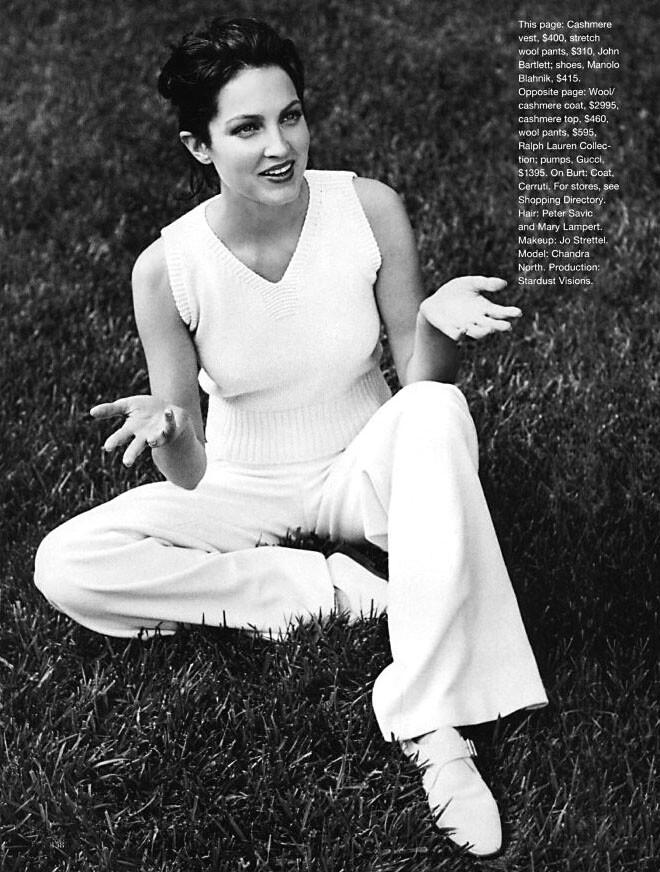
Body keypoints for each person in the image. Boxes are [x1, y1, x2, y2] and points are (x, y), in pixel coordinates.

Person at [34, 17, 547, 857]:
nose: (280, 146)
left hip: (362, 462)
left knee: (436, 412)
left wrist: (433, 324)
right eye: (246, 128)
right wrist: (169, 430)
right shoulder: (166, 269)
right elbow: (190, 472)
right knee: (66, 564)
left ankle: (434, 729)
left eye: (292, 116)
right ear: (199, 146)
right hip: (242, 482)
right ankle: (340, 594)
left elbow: (420, 382)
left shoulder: (368, 208)